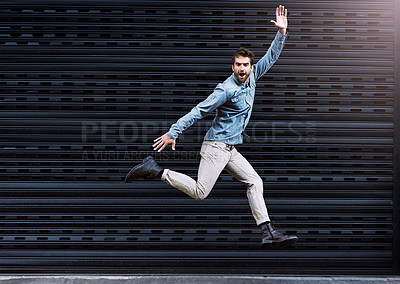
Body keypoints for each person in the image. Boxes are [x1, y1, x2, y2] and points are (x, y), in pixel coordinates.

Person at [125, 5, 298, 248]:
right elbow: (199, 110)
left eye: (245, 65)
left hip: (230, 150)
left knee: (255, 182)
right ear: (232, 67)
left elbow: (271, 57)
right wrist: (173, 132)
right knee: (200, 192)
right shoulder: (226, 89)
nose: (242, 69)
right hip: (216, 147)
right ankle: (156, 170)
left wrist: (281, 33)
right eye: (237, 65)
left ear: (250, 66)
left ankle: (267, 231)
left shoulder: (253, 77)